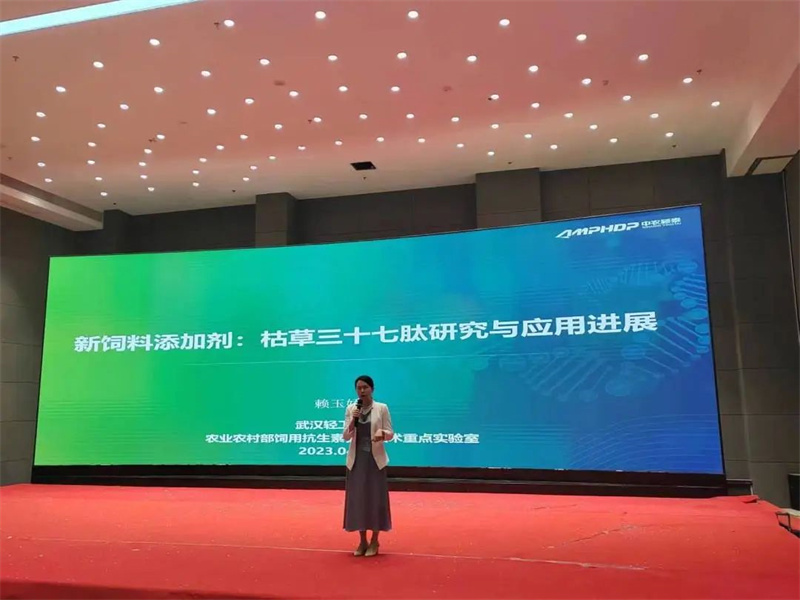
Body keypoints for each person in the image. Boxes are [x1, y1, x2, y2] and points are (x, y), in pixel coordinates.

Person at [342, 375, 393, 557]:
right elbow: (346, 436)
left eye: (365, 387)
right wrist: (352, 421)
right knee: (359, 500)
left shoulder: (382, 408)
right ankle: (362, 540)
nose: (362, 391)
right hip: (357, 461)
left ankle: (375, 540)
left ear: (372, 389)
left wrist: (381, 434)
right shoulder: (351, 409)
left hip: (375, 460)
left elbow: (390, 433)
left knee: (375, 499)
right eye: (359, 388)